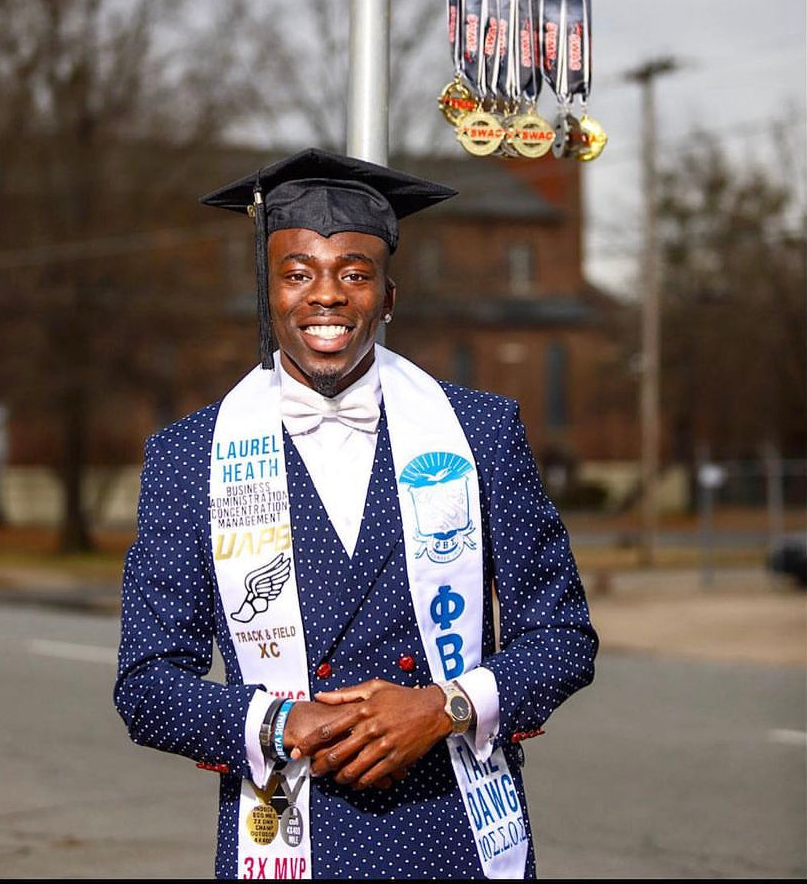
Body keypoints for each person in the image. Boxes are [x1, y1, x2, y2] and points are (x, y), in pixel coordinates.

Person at [114, 147, 598, 881]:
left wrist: (446, 706)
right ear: (269, 292)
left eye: (354, 272)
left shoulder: (481, 433)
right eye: (298, 272)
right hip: (291, 837)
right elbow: (146, 683)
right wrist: (280, 722)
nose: (326, 295)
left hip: (455, 834)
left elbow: (564, 637)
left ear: (388, 295)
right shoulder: (191, 456)